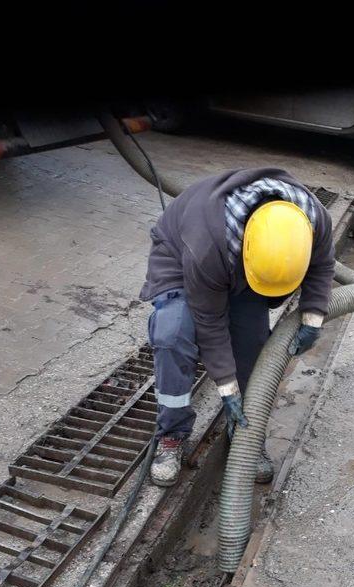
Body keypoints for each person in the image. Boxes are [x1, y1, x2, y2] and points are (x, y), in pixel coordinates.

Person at [140, 167, 336, 487]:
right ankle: (172, 434)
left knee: (254, 343)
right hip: (181, 259)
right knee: (173, 335)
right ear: (245, 251)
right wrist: (226, 386)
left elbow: (322, 265)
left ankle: (245, 432)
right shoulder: (206, 245)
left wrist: (313, 315)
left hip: (240, 267)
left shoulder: (312, 219)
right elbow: (211, 324)